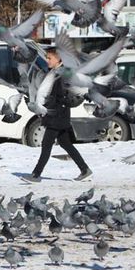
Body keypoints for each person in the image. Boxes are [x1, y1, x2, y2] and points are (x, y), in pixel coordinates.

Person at [23, 47, 93, 183]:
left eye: (50, 58)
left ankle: (36, 175)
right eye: (47, 58)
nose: (47, 60)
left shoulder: (62, 75)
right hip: (57, 115)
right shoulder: (54, 73)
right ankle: (85, 169)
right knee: (65, 143)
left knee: (46, 144)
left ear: (59, 59)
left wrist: (51, 102)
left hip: (57, 116)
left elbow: (65, 95)